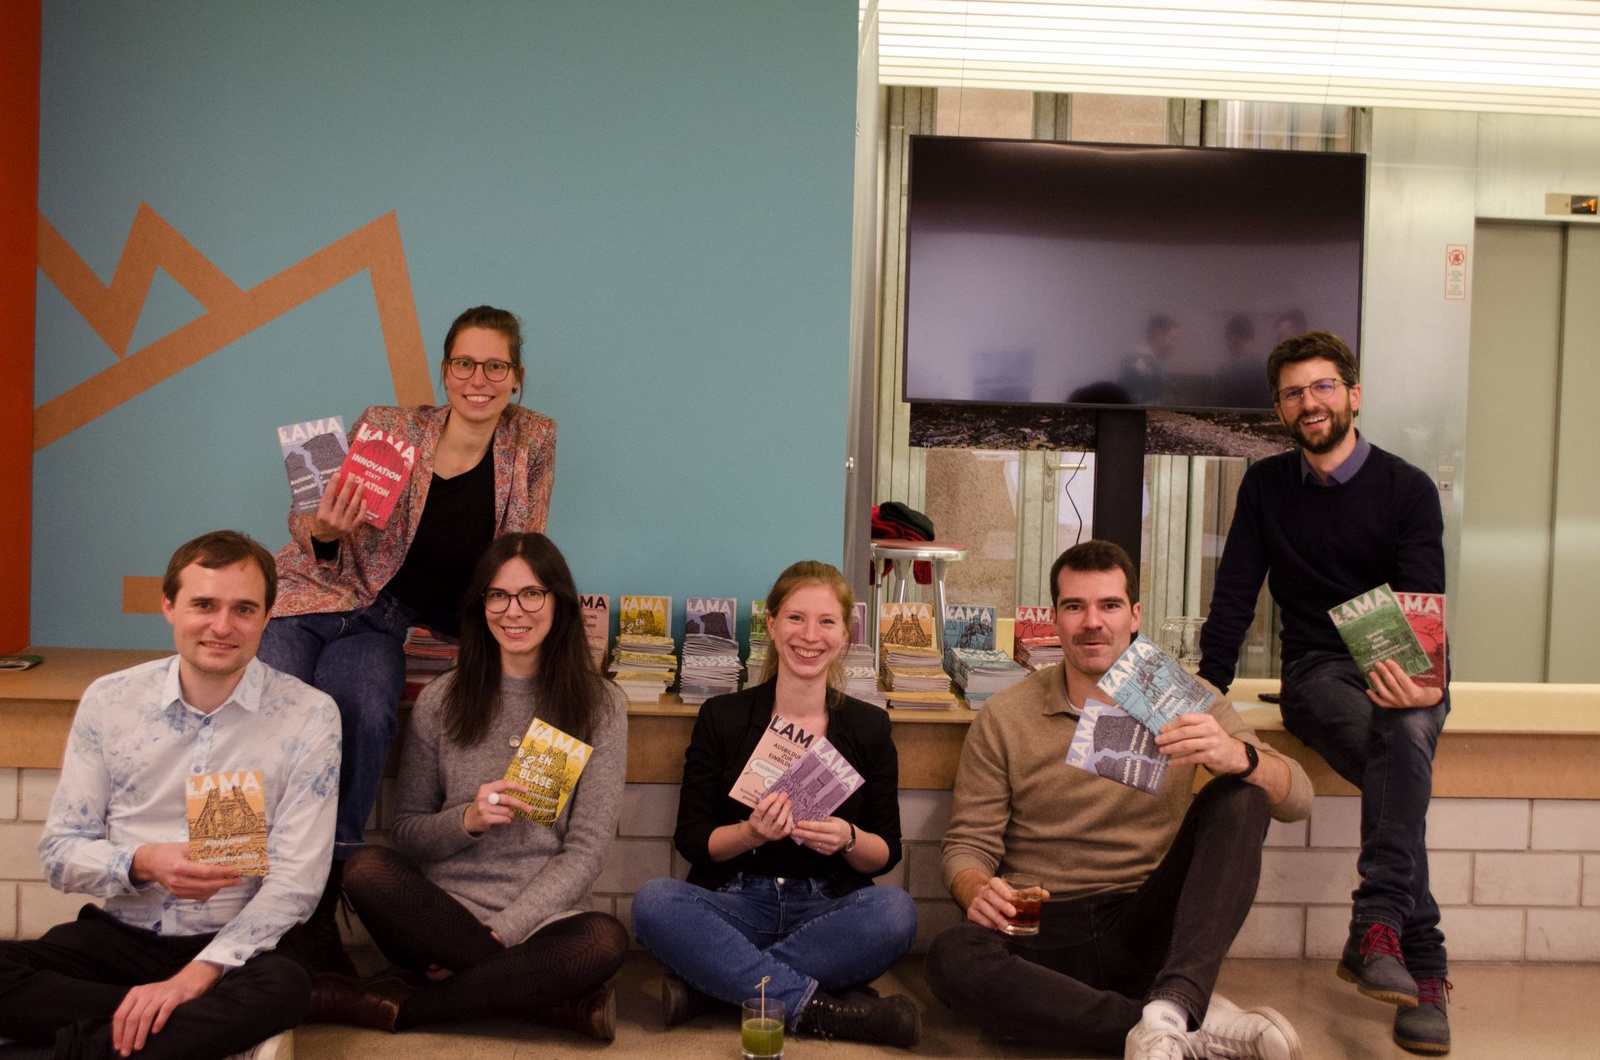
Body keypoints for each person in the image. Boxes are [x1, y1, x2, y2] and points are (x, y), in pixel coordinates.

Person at [925, 540, 1313, 1060]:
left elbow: (1298, 799)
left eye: (1108, 605)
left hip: (1145, 922)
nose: (1092, 623)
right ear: (1054, 619)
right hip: (1041, 928)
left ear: (1134, 616)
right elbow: (967, 844)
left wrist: (1235, 755)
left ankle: (1170, 1002)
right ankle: (1173, 1023)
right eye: (1074, 606)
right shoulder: (1006, 715)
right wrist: (975, 888)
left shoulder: (1181, 696)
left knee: (1243, 795)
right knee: (950, 956)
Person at [258, 305, 557, 972]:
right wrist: (324, 529)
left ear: (516, 377)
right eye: (465, 363)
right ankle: (255, 893)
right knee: (273, 710)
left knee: (364, 710)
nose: (478, 379)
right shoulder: (391, 428)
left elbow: (522, 550)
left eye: (496, 366)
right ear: (445, 370)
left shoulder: (531, 440)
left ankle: (320, 900)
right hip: (315, 597)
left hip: (388, 623)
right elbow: (307, 516)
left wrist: (516, 633)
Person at [1199, 330, 1453, 1055]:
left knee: (1404, 734)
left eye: (1322, 386)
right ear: (1280, 410)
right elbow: (1235, 594)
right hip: (1317, 669)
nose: (1309, 402)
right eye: (1292, 393)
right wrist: (1208, 691)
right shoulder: (1266, 487)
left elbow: (1420, 603)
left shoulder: (1408, 488)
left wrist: (1418, 682)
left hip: (1403, 657)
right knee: (1396, 759)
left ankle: (1387, 932)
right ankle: (1411, 955)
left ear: (1353, 395)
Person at [0, 531, 340, 1060]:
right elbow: (60, 853)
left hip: (232, 950)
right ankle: (169, 1031)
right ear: (168, 606)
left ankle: (74, 1046)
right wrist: (142, 862)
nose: (222, 626)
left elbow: (297, 883)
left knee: (285, 989)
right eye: (204, 604)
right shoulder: (110, 700)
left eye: (243, 609)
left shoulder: (310, 715)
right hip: (123, 937)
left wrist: (190, 980)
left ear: (267, 617)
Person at [307, 532, 629, 1040]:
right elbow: (408, 832)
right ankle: (545, 1002)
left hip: (544, 921)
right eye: (498, 595)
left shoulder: (601, 705)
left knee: (604, 940)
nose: (513, 611)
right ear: (481, 606)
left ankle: (404, 1008)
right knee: (366, 869)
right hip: (442, 918)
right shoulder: (442, 698)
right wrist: (467, 821)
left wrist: (504, 932)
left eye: (531, 594)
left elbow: (586, 852)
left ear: (559, 603)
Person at [630, 561, 921, 1048]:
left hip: (826, 907)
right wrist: (750, 833)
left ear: (844, 633)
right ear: (771, 624)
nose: (810, 635)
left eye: (826, 621)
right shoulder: (722, 717)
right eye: (795, 618)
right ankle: (822, 1009)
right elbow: (692, 841)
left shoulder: (869, 727)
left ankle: (719, 988)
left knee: (896, 912)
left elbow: (886, 852)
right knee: (654, 903)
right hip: (736, 900)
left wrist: (848, 838)